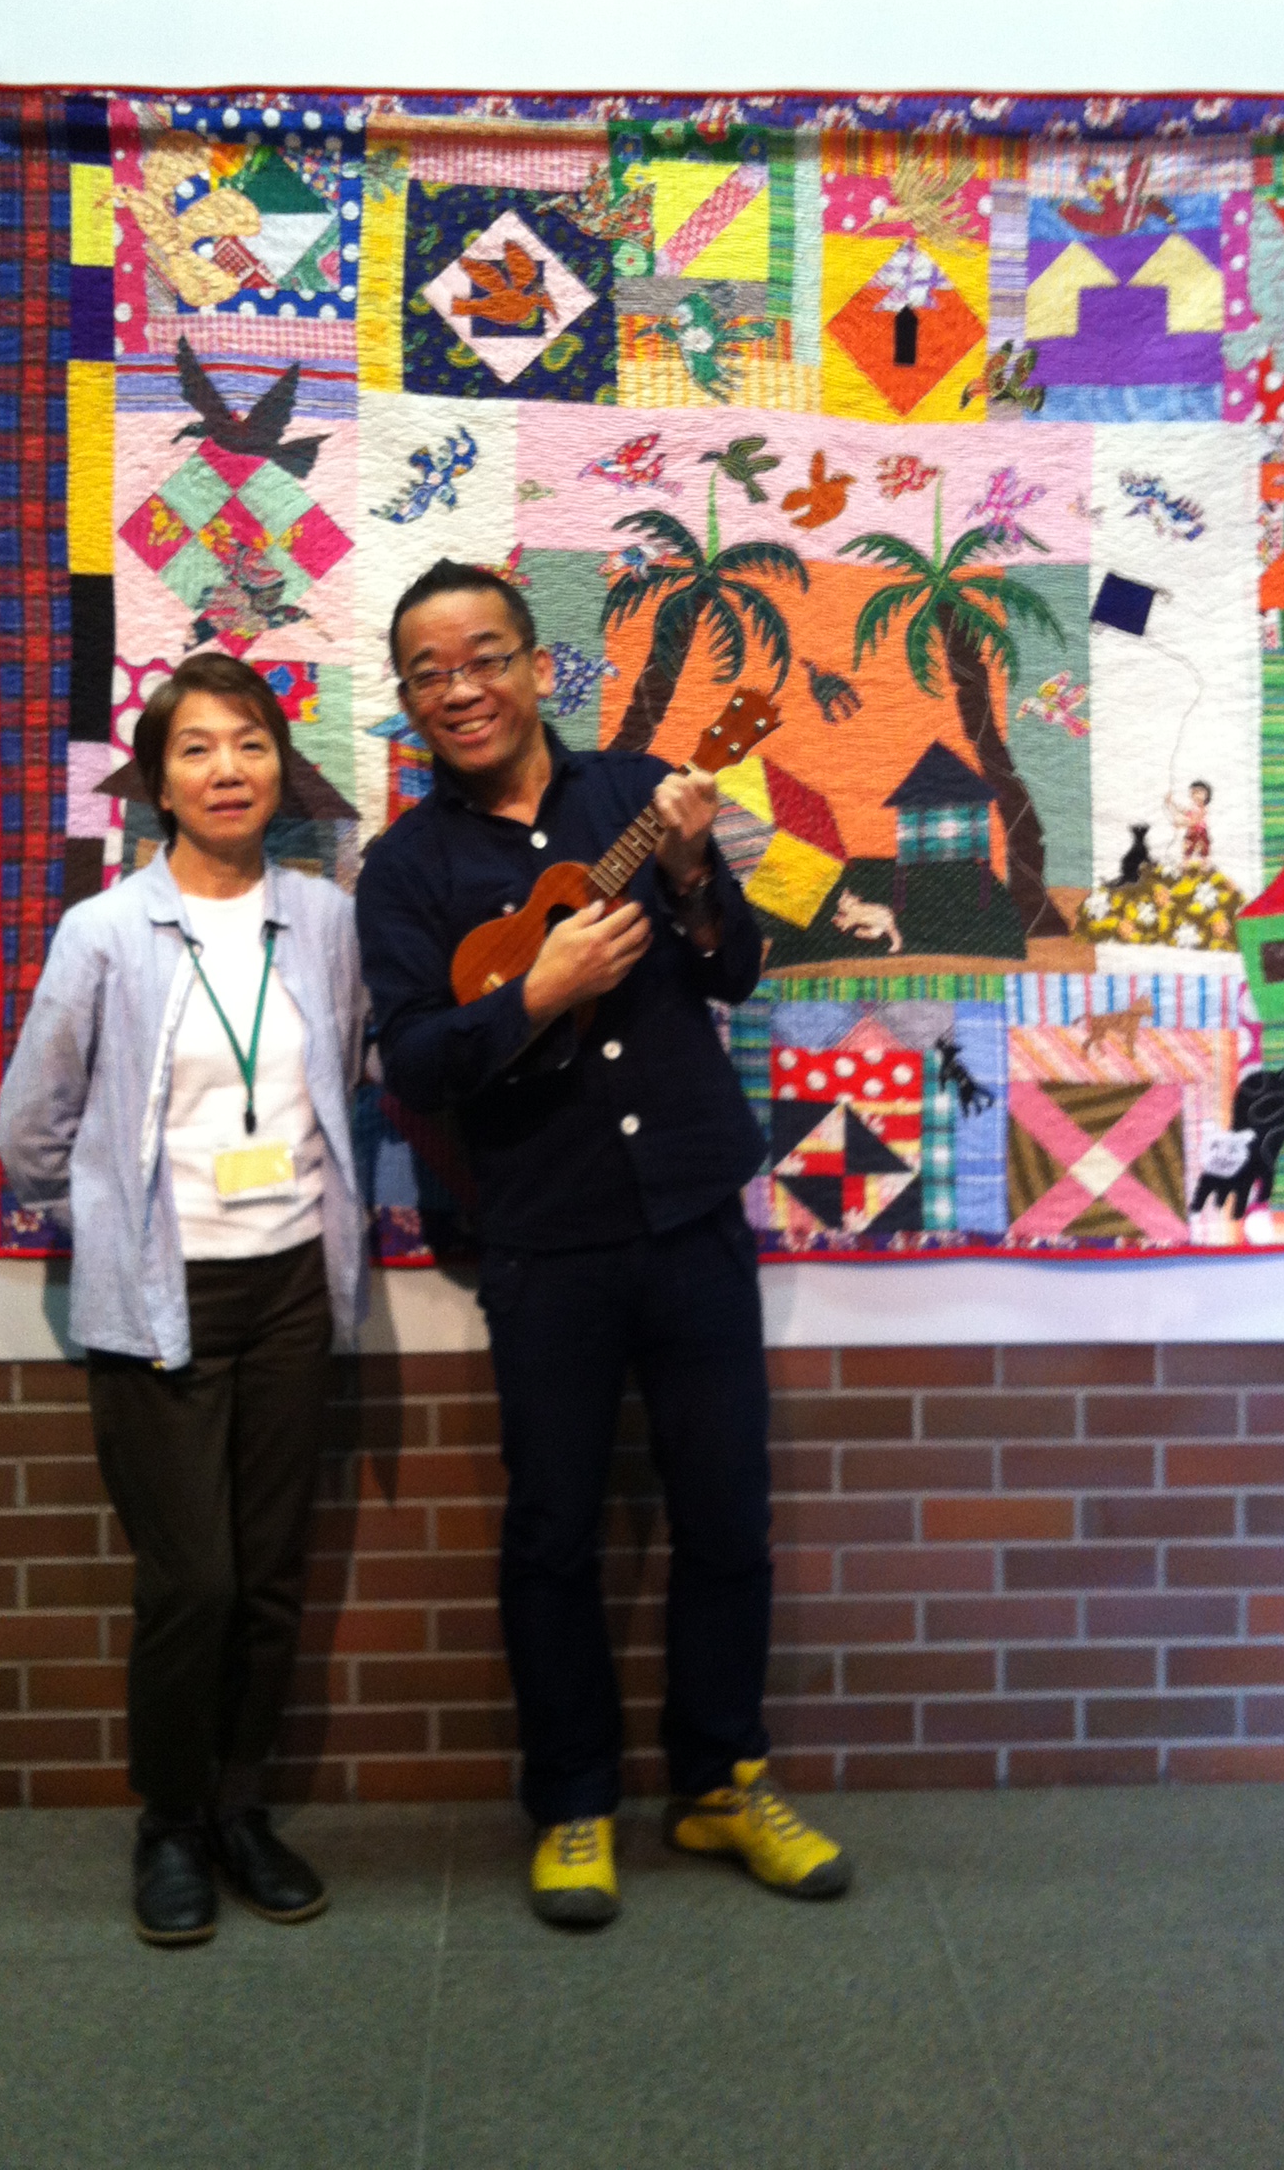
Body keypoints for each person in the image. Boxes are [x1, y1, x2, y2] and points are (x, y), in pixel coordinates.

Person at [355, 558, 850, 1929]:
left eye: (484, 657)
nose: (461, 688)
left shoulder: (635, 791)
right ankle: (572, 1804)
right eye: (430, 673)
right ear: (408, 700)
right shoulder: (404, 869)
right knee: (553, 1532)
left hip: (692, 1216)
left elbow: (734, 970)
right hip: (544, 1239)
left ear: (535, 664)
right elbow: (414, 1061)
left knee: (728, 1519)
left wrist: (690, 873)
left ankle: (721, 1781)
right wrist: (536, 992)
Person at [0, 651, 366, 1950]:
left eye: (251, 743)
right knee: (193, 1582)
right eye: (197, 748)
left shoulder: (323, 917)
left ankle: (239, 1808)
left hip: (292, 1287)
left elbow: (346, 1066)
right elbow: (31, 1132)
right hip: (163, 1296)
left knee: (267, 1577)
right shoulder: (106, 931)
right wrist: (113, 1218)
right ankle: (167, 1818)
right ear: (158, 782)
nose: (227, 769)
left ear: (281, 769)